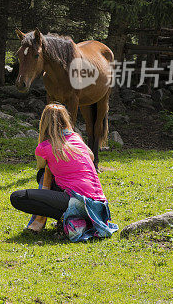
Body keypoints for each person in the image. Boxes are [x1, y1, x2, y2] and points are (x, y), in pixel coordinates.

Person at [10, 103, 117, 242]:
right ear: (66, 120)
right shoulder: (76, 138)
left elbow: (42, 168)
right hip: (99, 204)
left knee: (18, 196)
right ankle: (77, 219)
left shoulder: (44, 147)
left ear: (44, 123)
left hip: (78, 200)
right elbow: (90, 156)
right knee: (47, 175)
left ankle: (62, 219)